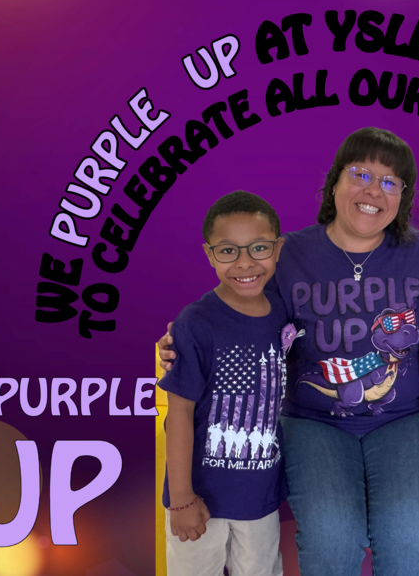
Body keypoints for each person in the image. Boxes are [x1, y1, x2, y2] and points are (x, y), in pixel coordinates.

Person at [159, 128, 419, 576]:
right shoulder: (289, 253)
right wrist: (185, 334)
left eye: (390, 182)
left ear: (403, 197)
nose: (373, 191)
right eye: (361, 174)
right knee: (331, 541)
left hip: (404, 420)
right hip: (314, 421)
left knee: (406, 539)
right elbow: (240, 302)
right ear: (334, 182)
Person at [158, 191, 294, 576]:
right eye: (228, 251)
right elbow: (179, 414)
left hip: (260, 496)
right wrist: (182, 499)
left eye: (258, 248)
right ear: (208, 254)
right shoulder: (194, 323)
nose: (245, 262)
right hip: (199, 498)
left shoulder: (283, 311)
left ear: (278, 248)